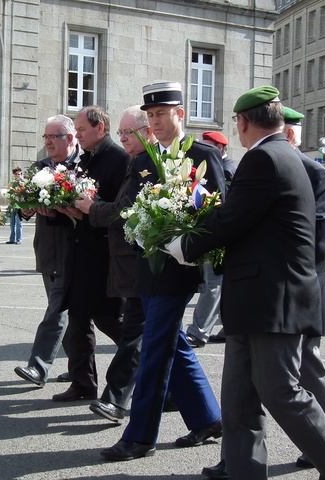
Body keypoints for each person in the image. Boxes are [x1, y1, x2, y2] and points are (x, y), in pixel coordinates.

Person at [169, 86, 325, 480]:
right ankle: (243, 470)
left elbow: (232, 219)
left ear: (243, 122)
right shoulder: (283, 155)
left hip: (273, 298)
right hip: (257, 295)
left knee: (279, 390)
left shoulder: (264, 158)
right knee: (239, 397)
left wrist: (182, 244)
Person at [100, 82, 224, 461]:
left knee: (154, 346)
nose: (155, 122)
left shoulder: (201, 154)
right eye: (150, 116)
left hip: (177, 267)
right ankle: (207, 418)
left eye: (161, 114)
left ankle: (140, 436)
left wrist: (184, 239)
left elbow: (218, 210)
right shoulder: (141, 160)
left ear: (179, 115)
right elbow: (130, 209)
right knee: (172, 341)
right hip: (145, 266)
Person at [74, 105, 154, 422]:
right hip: (128, 262)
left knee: (135, 333)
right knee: (161, 339)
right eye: (121, 132)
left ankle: (115, 398)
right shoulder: (135, 161)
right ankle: (199, 411)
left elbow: (124, 212)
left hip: (139, 261)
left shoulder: (138, 164)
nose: (123, 138)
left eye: (127, 132)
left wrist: (91, 208)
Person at [51, 106, 128, 402]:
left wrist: (86, 212)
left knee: (111, 320)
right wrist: (55, 210)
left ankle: (159, 370)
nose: (78, 135)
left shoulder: (118, 160)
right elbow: (77, 206)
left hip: (104, 255)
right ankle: (83, 383)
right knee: (79, 318)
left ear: (100, 128)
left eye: (81, 130)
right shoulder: (87, 159)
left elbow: (116, 211)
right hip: (81, 251)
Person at [282, 106, 325, 470]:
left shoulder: (315, 173)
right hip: (282, 286)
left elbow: (317, 238)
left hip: (303, 285)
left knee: (308, 365)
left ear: (288, 136)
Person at [14, 115, 80, 387]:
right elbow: (23, 204)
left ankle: (38, 366)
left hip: (72, 250)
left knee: (56, 310)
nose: (48, 142)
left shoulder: (83, 167)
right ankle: (80, 370)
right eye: (45, 137)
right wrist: (27, 207)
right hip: (46, 250)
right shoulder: (40, 167)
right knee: (68, 315)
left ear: (70, 139)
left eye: (53, 137)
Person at [185, 131, 233, 348]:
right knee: (218, 284)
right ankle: (229, 325)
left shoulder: (227, 170)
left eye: (208, 146)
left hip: (217, 234)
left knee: (212, 283)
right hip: (209, 231)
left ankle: (198, 332)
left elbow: (220, 202)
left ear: (220, 149)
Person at [7, 167, 23, 245]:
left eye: (19, 174)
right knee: (12, 223)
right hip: (12, 205)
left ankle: (19, 239)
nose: (17, 175)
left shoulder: (22, 183)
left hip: (19, 205)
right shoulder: (11, 183)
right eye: (16, 174)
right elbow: (8, 192)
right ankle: (12, 239)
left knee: (18, 223)